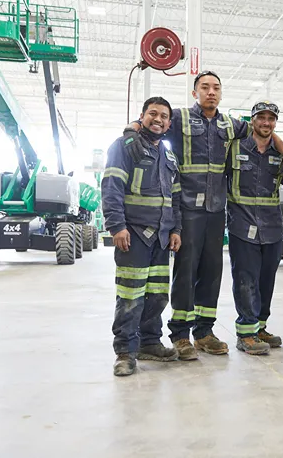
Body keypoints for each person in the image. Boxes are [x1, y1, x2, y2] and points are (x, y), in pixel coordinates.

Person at [122, 72, 283, 360]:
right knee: (186, 272)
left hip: (216, 211)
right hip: (188, 209)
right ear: (195, 93)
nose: (211, 92)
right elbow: (154, 122)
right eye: (205, 87)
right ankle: (180, 334)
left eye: (216, 87)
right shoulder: (179, 118)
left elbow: (262, 129)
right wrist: (131, 129)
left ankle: (204, 332)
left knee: (212, 272)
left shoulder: (229, 124)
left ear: (221, 93)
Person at [102, 96, 182, 377]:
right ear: (142, 116)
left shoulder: (169, 156)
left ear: (168, 124)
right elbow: (111, 186)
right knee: (130, 296)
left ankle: (149, 343)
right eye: (152, 113)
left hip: (161, 238)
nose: (158, 119)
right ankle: (125, 351)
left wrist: (176, 230)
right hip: (133, 235)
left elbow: (175, 198)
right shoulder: (124, 146)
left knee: (157, 295)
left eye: (163, 116)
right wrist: (116, 226)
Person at [226, 101, 283, 355]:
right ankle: (246, 333)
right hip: (242, 226)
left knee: (267, 281)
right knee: (245, 280)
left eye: (271, 119)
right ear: (252, 120)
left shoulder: (279, 152)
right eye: (261, 117)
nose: (266, 122)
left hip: (272, 227)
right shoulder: (234, 148)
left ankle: (260, 326)